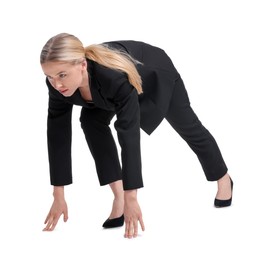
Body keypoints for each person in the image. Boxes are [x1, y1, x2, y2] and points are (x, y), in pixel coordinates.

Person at [40, 33, 233, 239]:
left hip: (153, 75)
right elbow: (57, 134)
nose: (57, 84)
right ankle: (118, 197)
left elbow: (129, 135)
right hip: (104, 89)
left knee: (188, 126)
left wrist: (133, 197)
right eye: (50, 77)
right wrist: (58, 195)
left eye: (62, 75)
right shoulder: (58, 86)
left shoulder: (112, 77)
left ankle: (223, 178)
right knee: (91, 121)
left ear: (82, 65)